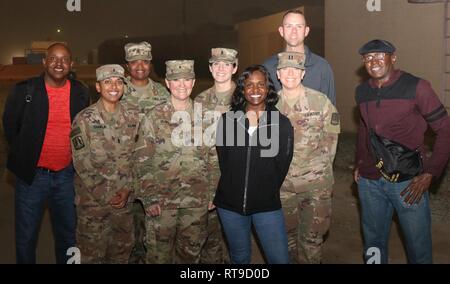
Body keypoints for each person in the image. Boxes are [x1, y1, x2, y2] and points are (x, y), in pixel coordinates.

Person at [354, 39, 450, 264]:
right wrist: (360, 162)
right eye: (368, 58)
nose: (373, 62)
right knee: (373, 242)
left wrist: (430, 172)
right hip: (370, 181)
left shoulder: (417, 87)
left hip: (408, 182)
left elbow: (445, 129)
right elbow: (364, 129)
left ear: (393, 58)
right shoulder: (362, 91)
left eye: (380, 56)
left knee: (418, 244)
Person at [2, 43, 89, 264]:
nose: (59, 64)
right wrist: (27, 155)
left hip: (67, 177)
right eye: (53, 58)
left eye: (64, 59)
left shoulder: (81, 91)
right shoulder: (24, 90)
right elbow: (10, 126)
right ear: (44, 62)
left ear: (71, 64)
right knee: (26, 238)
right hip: (32, 178)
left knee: (68, 237)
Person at [213, 65, 294, 264]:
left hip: (266, 205)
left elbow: (282, 164)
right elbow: (224, 160)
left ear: (268, 89)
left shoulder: (281, 124)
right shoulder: (228, 121)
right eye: (249, 85)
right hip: (230, 206)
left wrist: (264, 189)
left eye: (261, 85)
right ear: (242, 89)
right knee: (239, 258)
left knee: (280, 259)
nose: (255, 90)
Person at [134, 60, 212, 263]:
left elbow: (215, 158)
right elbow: (143, 161)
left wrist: (214, 192)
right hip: (162, 203)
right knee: (159, 257)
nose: (182, 85)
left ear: (193, 82)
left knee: (190, 257)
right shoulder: (153, 117)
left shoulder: (206, 117)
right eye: (176, 80)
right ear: (168, 83)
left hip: (196, 202)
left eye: (187, 80)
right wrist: (149, 197)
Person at [275, 51, 340, 264]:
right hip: (281, 187)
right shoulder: (269, 105)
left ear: (303, 73)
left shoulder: (320, 101)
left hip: (315, 186)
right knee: (285, 240)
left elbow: (331, 140)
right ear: (278, 73)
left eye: (296, 69)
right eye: (285, 69)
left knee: (311, 241)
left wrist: (321, 172)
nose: (290, 73)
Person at [70, 65, 139, 263]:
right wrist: (109, 194)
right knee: (91, 256)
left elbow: (140, 158)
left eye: (118, 82)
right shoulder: (84, 119)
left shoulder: (134, 118)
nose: (114, 86)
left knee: (121, 254)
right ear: (98, 87)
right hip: (93, 205)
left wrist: (128, 189)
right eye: (107, 82)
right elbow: (81, 162)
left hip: (124, 205)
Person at [122, 41, 169, 263]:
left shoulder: (162, 93)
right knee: (126, 232)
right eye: (134, 61)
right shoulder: (117, 90)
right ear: (127, 65)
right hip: (124, 173)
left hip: (152, 172)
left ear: (151, 64)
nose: (140, 65)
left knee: (152, 231)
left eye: (145, 61)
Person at [195, 47, 238, 264]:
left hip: (237, 179)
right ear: (211, 68)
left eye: (226, 64)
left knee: (237, 242)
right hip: (208, 180)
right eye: (216, 64)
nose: (221, 68)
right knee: (210, 239)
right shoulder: (200, 101)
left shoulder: (245, 97)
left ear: (235, 67)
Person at [262, 9, 336, 106]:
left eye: (299, 26)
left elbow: (330, 107)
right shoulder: (268, 67)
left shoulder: (321, 67)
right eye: (289, 26)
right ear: (281, 31)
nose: (294, 31)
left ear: (306, 31)